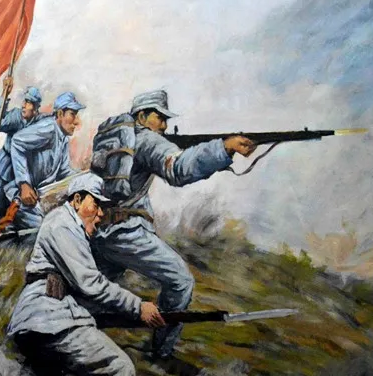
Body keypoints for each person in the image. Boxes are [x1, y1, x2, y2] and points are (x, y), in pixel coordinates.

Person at [91, 90, 256, 361]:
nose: (164, 126)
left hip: (98, 230)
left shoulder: (115, 137)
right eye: (160, 118)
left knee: (92, 290)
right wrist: (224, 148)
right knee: (180, 282)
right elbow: (178, 169)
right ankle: (162, 354)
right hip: (125, 233)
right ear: (142, 116)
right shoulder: (146, 140)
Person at [7, 173, 165, 376]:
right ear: (77, 200)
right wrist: (138, 307)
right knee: (120, 368)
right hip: (50, 321)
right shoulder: (63, 224)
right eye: (96, 204)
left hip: (42, 324)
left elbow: (82, 289)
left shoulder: (68, 227)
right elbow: (90, 283)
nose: (100, 214)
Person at [2, 91, 85, 230]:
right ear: (60, 114)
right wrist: (24, 184)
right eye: (72, 114)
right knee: (50, 229)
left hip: (40, 200)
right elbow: (17, 142)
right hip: (24, 200)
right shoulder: (49, 128)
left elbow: (64, 171)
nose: (77, 121)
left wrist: (82, 177)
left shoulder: (63, 139)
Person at [0, 83, 47, 235]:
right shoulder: (17, 116)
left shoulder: (39, 123)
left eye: (28, 103)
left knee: (19, 211)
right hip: (6, 167)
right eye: (25, 101)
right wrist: (4, 95)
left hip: (23, 173)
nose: (24, 105)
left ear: (36, 108)